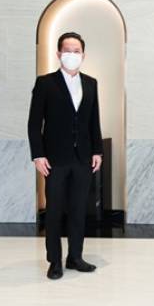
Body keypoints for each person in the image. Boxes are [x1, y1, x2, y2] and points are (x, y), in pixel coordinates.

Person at [27, 32, 103, 280]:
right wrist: (38, 155)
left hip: (83, 158)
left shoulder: (91, 83)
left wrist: (97, 150)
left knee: (79, 210)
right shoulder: (45, 83)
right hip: (54, 159)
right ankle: (54, 261)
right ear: (59, 54)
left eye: (76, 51)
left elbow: (94, 120)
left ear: (83, 55)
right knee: (54, 211)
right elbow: (34, 123)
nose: (72, 54)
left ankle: (75, 257)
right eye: (67, 50)